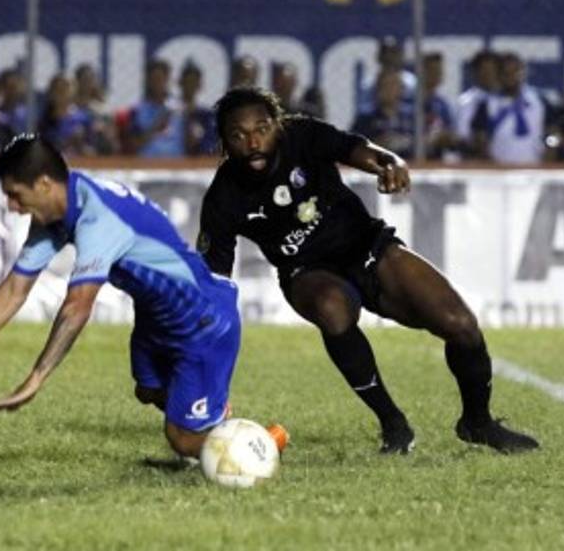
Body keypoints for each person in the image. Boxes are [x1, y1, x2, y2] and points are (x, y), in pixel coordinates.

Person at [197, 87, 539, 455]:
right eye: (238, 134)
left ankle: (477, 422)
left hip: (368, 247)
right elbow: (215, 281)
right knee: (332, 308)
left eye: (261, 128)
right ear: (224, 143)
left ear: (278, 126)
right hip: (307, 272)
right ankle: (393, 422)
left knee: (461, 325)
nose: (252, 142)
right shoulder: (223, 198)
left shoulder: (303, 135)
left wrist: (391, 162)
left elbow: (358, 149)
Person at [0, 134, 281, 461]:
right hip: (158, 318)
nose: (12, 206)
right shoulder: (62, 209)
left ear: (43, 184)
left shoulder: (97, 218)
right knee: (149, 389)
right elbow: (14, 288)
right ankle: (213, 415)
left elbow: (77, 308)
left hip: (201, 321)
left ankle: (258, 447)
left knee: (182, 441)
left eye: (15, 194)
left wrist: (36, 378)